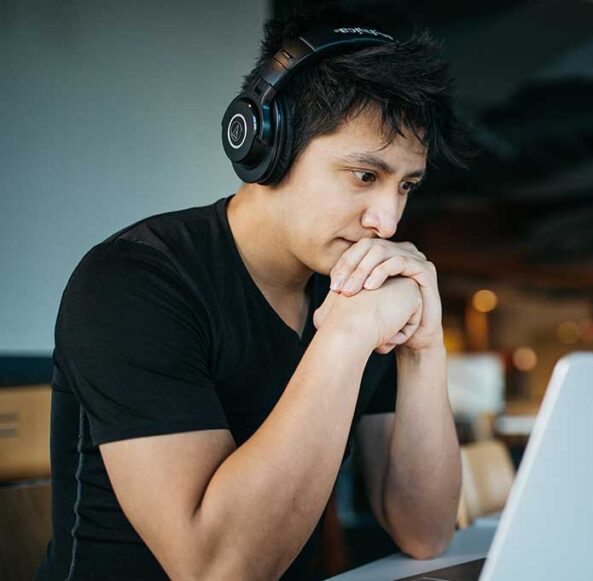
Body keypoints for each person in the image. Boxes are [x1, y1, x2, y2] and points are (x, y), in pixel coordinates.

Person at [36, 4, 470, 580]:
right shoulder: (133, 281)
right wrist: (344, 337)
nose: (387, 221)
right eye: (365, 176)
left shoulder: (356, 288)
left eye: (406, 185)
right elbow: (217, 569)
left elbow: (425, 531)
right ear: (268, 147)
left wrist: (424, 348)